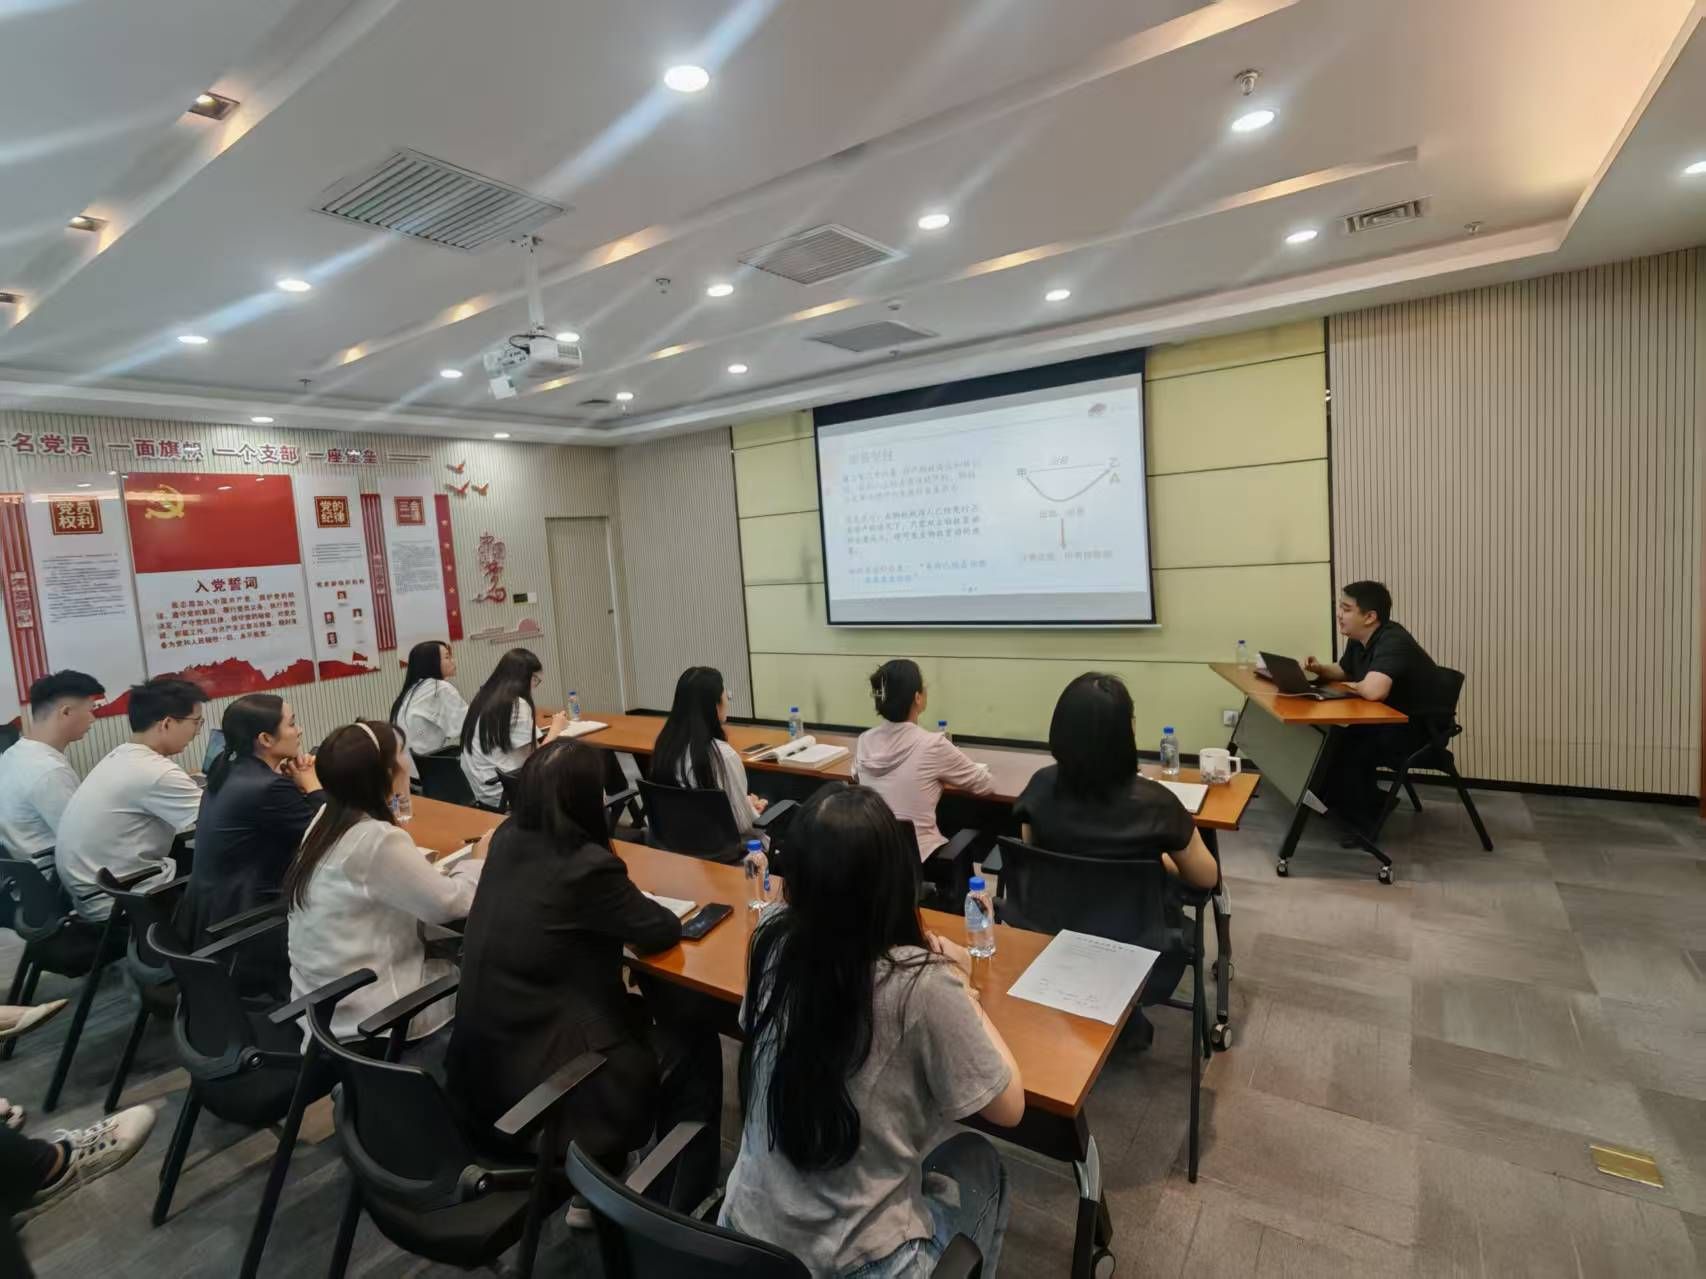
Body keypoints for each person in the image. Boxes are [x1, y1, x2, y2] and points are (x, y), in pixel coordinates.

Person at [721, 786, 1023, 1278]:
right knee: (981, 1163)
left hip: (745, 1242)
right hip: (860, 1265)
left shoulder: (769, 941)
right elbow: (1010, 1106)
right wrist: (963, 987)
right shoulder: (922, 985)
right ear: (898, 882)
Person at [447, 740, 721, 1215]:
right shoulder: (585, 866)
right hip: (546, 1088)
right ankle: (672, 1210)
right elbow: (658, 928)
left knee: (635, 1007)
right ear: (584, 799)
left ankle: (597, 1182)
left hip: (482, 1076)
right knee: (693, 1042)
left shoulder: (507, 838)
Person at [1013, 673, 1220, 1047]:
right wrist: (1160, 864)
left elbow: (1034, 849)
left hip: (1054, 936)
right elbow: (1206, 877)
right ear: (1127, 732)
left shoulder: (1039, 787)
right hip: (1141, 949)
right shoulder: (1157, 804)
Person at [285, 720, 483, 1047]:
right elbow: (450, 905)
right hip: (375, 1016)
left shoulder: (324, 820)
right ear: (385, 772)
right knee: (485, 972)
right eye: (402, 754)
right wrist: (477, 859)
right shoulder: (377, 840)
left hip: (322, 1003)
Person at [188, 695, 324, 999]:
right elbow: (326, 833)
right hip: (252, 921)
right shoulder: (268, 786)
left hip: (213, 914)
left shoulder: (227, 771)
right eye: (291, 724)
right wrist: (312, 784)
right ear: (265, 739)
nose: (299, 730)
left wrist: (295, 784)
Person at [55, 677, 207, 919]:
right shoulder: (156, 772)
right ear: (167, 723)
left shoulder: (121, 756)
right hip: (125, 904)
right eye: (196, 722)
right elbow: (220, 822)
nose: (198, 731)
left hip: (95, 894)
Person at [1304, 580, 1448, 830]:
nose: (1339, 615)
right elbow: (1344, 670)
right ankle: (1340, 805)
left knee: (1343, 742)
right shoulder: (1358, 639)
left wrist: (1354, 685)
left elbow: (1374, 691)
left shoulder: (1393, 640)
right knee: (1331, 735)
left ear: (1369, 617)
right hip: (1388, 719)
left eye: (1346, 609)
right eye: (1340, 608)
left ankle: (1362, 819)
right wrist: (1319, 669)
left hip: (1420, 729)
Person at [852, 659, 992, 860]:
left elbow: (856, 775)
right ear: (917, 698)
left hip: (875, 858)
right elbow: (984, 784)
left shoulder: (864, 740)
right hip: (919, 860)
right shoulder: (932, 745)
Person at [0, 671, 105, 873]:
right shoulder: (49, 770)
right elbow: (86, 840)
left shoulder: (12, 754)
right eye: (91, 710)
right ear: (66, 712)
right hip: (61, 877)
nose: (93, 719)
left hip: (26, 878)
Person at [651, 666, 768, 838]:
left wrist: (745, 804)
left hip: (673, 844)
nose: (728, 700)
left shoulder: (665, 747)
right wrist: (753, 810)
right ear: (714, 705)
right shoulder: (723, 756)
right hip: (722, 849)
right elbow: (743, 825)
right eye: (726, 695)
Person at [459, 648, 567, 808]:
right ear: (525, 677)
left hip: (484, 791)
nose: (534, 686)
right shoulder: (516, 705)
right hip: (506, 793)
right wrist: (556, 728)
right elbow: (538, 759)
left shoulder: (483, 697)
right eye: (536, 680)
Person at [390, 640, 468, 780]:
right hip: (429, 775)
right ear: (432, 663)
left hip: (408, 776)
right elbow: (469, 727)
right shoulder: (439, 688)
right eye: (447, 657)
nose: (453, 660)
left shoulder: (412, 690)